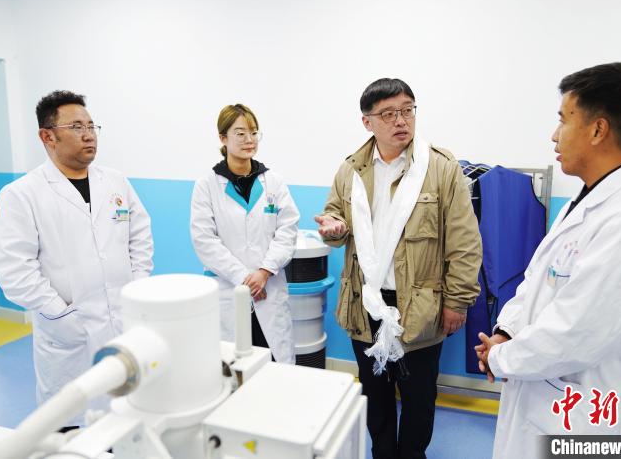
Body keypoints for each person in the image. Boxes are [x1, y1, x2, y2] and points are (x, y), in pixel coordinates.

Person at [475, 63, 621, 458]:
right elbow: (537, 283)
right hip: (546, 401)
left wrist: (500, 357)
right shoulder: (586, 201)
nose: (555, 135)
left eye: (563, 119)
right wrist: (507, 332)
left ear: (598, 130)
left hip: (588, 423)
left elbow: (575, 332)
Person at [316, 78, 482, 459]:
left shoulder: (440, 168)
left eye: (407, 110)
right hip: (365, 303)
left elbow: (465, 242)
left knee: (419, 398)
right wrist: (333, 229)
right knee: (375, 395)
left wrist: (457, 301)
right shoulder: (350, 170)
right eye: (388, 114)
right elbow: (334, 219)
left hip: (420, 305)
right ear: (367, 122)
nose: (401, 121)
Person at [0, 90, 154, 425]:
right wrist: (59, 314)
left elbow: (140, 238)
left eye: (91, 126)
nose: (89, 134)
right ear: (47, 136)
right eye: (77, 127)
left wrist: (135, 288)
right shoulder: (22, 194)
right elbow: (11, 267)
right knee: (74, 427)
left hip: (123, 323)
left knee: (126, 421)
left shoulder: (116, 182)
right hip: (68, 335)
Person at [190, 104, 299, 364]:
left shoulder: (273, 182)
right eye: (240, 133)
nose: (249, 139)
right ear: (223, 138)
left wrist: (264, 272)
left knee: (276, 365)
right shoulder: (206, 186)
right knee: (234, 366)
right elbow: (204, 240)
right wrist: (244, 278)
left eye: (253, 132)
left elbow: (288, 229)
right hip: (229, 290)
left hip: (268, 288)